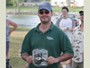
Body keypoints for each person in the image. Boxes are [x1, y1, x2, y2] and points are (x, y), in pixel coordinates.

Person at [21, 1, 74, 68]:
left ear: (51, 13)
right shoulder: (31, 33)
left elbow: (70, 53)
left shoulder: (60, 33)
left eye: (46, 12)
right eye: (41, 12)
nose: (44, 14)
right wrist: (27, 58)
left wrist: (56, 59)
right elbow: (24, 52)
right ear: (38, 14)